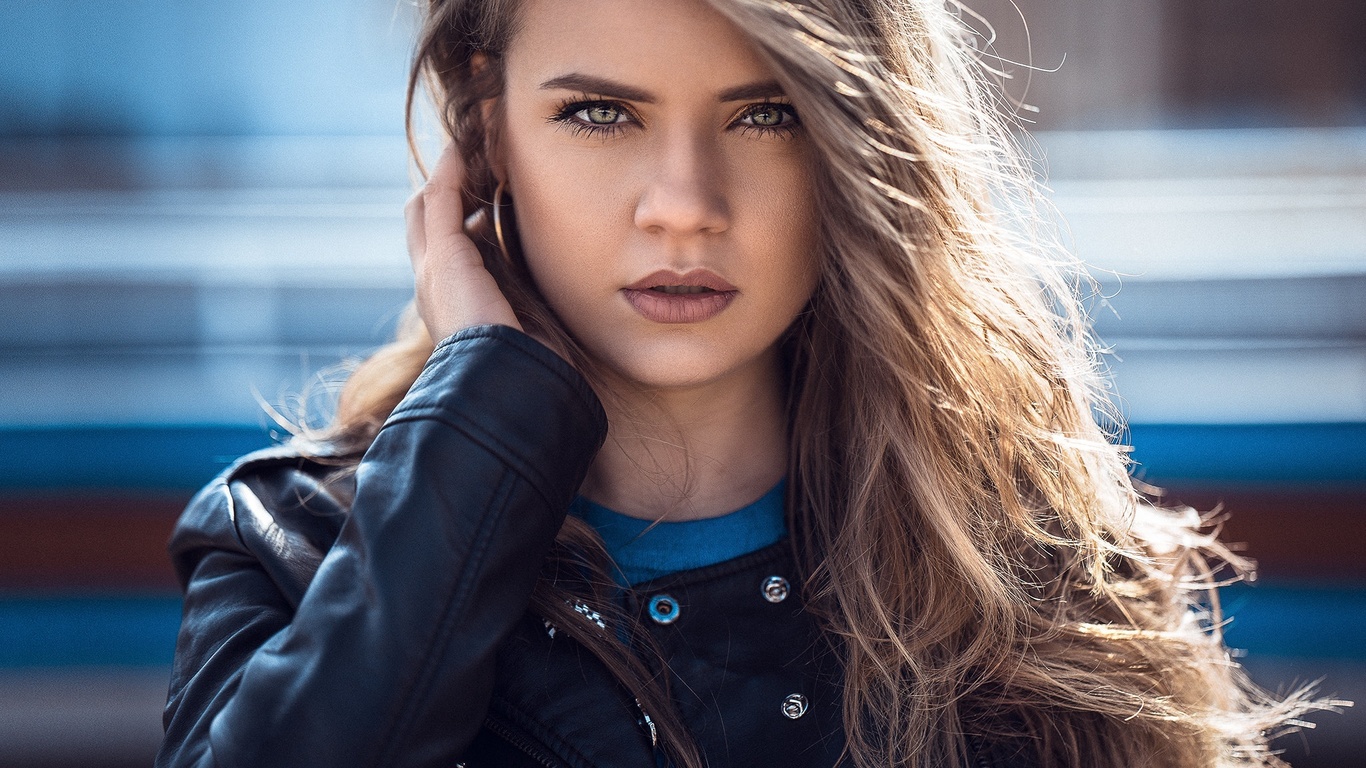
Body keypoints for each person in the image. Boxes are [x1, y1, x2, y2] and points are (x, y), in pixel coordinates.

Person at [155, 0, 1328, 766]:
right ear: (485, 126)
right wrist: (484, 406)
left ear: (857, 144)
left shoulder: (1039, 570)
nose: (682, 202)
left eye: (764, 114)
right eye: (599, 113)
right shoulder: (294, 549)